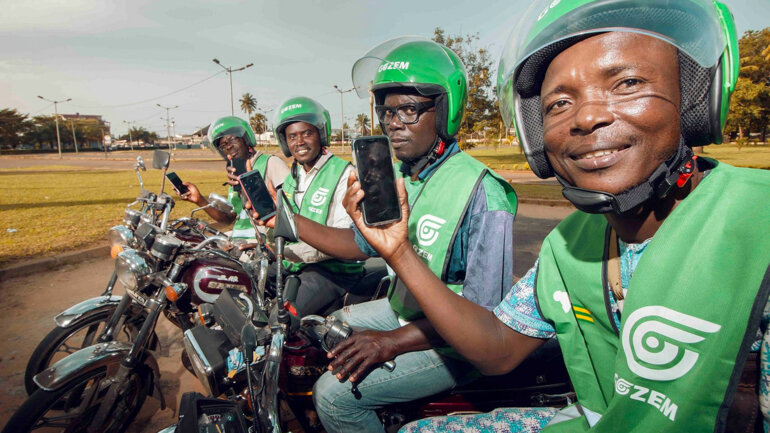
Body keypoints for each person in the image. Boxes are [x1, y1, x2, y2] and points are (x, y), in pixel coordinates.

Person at [345, 1, 770, 432]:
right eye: (560, 103)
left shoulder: (758, 223)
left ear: (695, 98)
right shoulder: (569, 245)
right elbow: (498, 347)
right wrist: (398, 251)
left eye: (627, 83)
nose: (587, 117)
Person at [252, 39, 518, 433]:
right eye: (387, 111)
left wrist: (390, 342)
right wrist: (286, 221)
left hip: (455, 344)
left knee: (333, 398)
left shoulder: (482, 191)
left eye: (409, 109)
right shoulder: (402, 178)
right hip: (405, 309)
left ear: (446, 111)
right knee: (324, 326)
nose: (393, 122)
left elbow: (485, 318)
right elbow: (357, 246)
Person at [270, 96, 365, 316]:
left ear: (321, 134)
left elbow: (343, 240)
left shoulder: (344, 174)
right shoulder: (293, 177)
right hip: (298, 264)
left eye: (307, 133)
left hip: (334, 271)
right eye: (292, 136)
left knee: (280, 319)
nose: (299, 142)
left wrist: (285, 252)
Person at [177, 115, 290, 241]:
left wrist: (249, 186)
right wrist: (200, 200)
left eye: (232, 139)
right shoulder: (235, 174)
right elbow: (229, 219)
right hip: (238, 242)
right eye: (223, 145)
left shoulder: (270, 162)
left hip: (264, 242)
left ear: (246, 139)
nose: (228, 147)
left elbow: (292, 209)